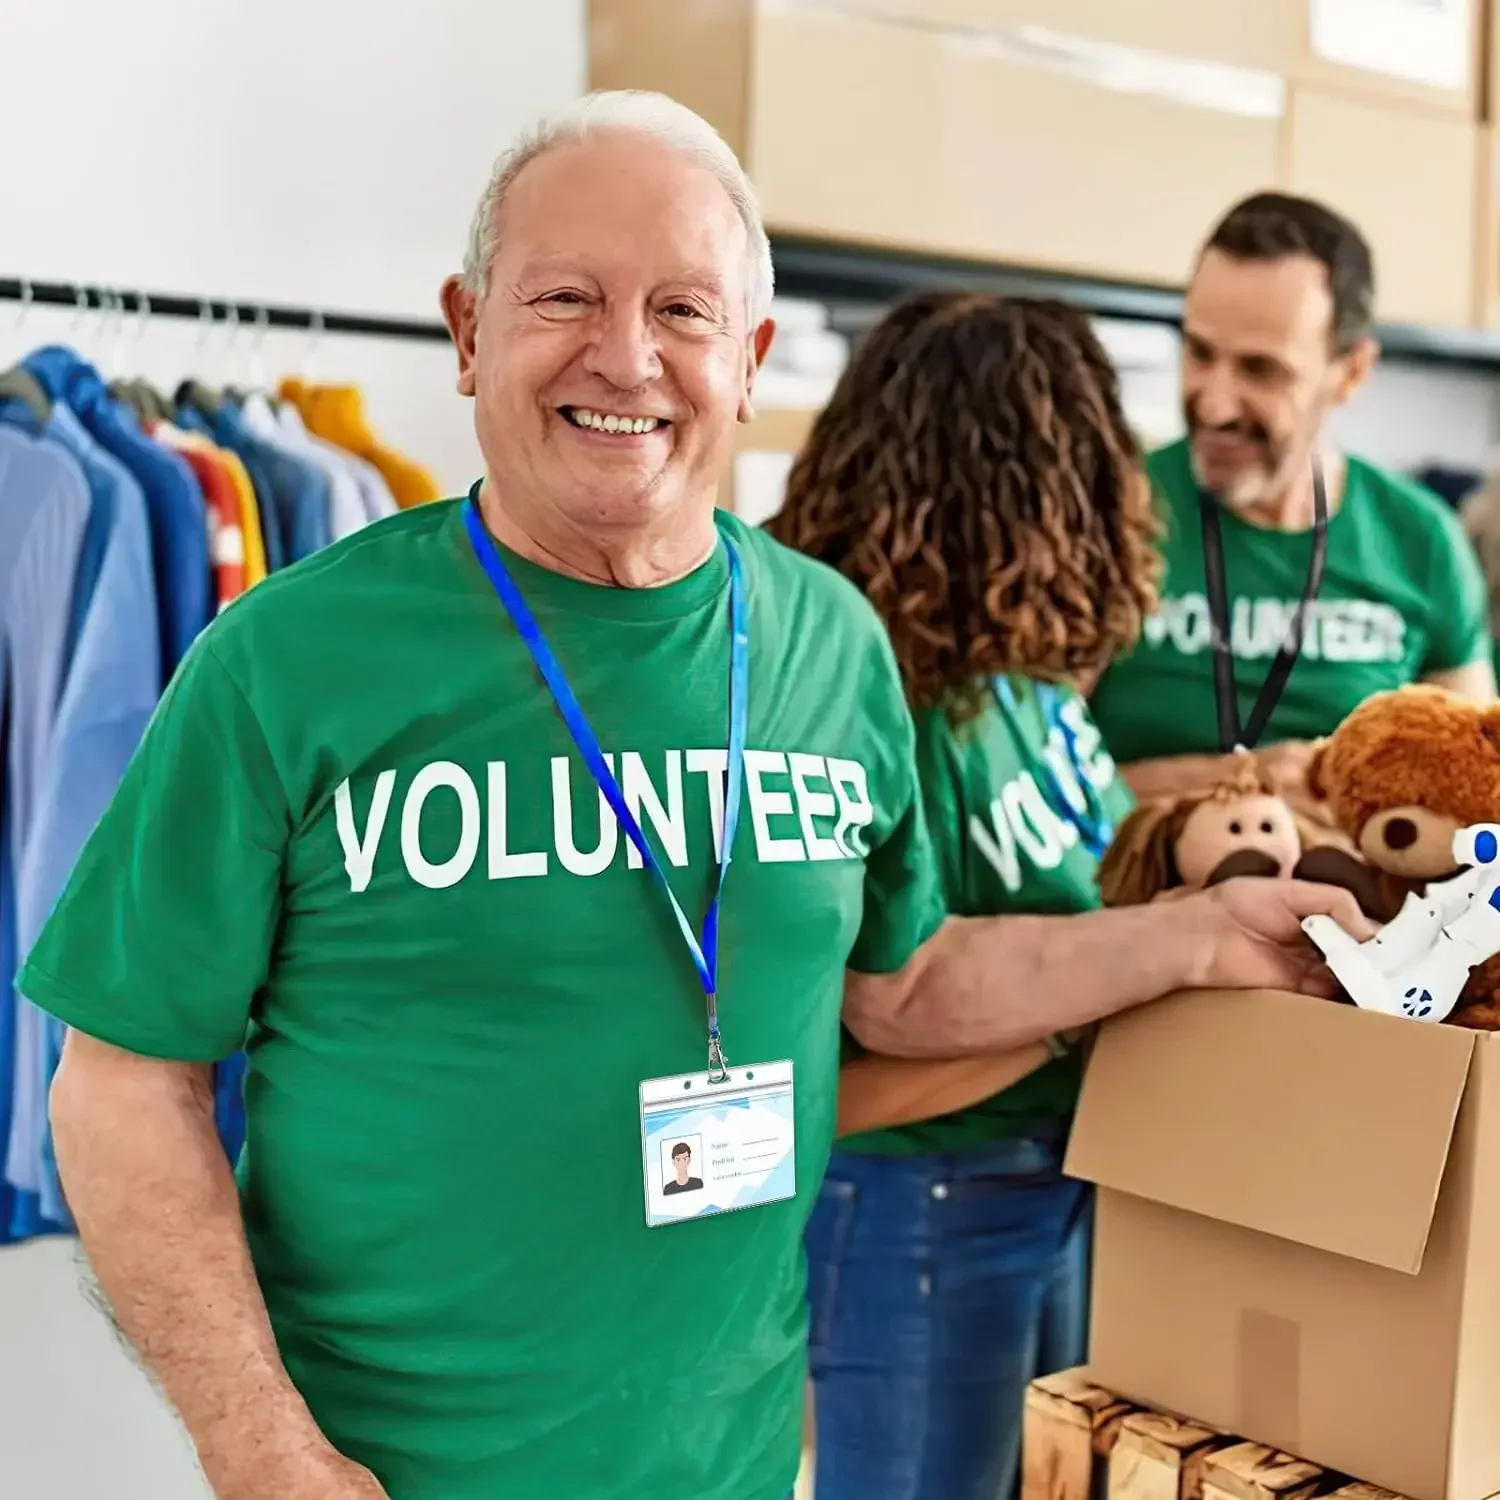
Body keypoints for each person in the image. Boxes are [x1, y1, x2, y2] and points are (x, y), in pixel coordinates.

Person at [18, 92, 1369, 1500]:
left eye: (683, 309)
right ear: (468, 328)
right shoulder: (284, 661)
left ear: (751, 357)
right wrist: (261, 1451)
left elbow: (901, 988)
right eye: (563, 299)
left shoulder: (831, 644)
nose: (625, 357)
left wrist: (1200, 939)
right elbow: (118, 1080)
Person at [767, 291, 1156, 1500]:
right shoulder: (872, 706)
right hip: (919, 1207)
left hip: (1055, 1184)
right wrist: (1111, 992)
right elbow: (825, 1069)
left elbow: (1062, 881)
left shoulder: (1024, 681)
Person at [1087, 192, 1496, 816]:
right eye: (1198, 353)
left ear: (1351, 372)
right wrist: (1238, 779)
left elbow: (1471, 795)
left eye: (1260, 370)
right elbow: (1024, 792)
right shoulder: (1102, 514)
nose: (1215, 403)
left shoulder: (1424, 541)